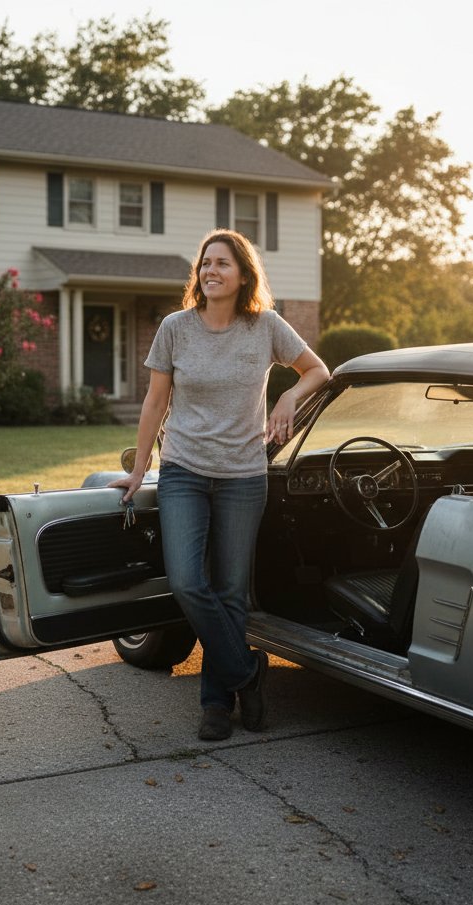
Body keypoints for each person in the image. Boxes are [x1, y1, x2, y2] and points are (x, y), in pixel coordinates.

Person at [110, 229, 329, 742]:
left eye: (222, 264)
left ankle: (215, 703)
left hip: (243, 476)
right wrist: (141, 467)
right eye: (205, 263)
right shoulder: (175, 328)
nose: (210, 271)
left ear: (243, 274)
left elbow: (318, 371)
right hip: (184, 470)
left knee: (231, 592)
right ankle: (249, 671)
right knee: (187, 582)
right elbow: (154, 403)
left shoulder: (265, 326)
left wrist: (288, 398)